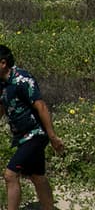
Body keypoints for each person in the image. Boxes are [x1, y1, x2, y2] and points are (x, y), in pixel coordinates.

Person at [2, 45, 64, 210]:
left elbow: (41, 107)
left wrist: (52, 137)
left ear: (3, 63)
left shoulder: (23, 79)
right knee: (37, 176)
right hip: (22, 137)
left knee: (10, 175)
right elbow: (2, 107)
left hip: (36, 134)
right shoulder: (2, 83)